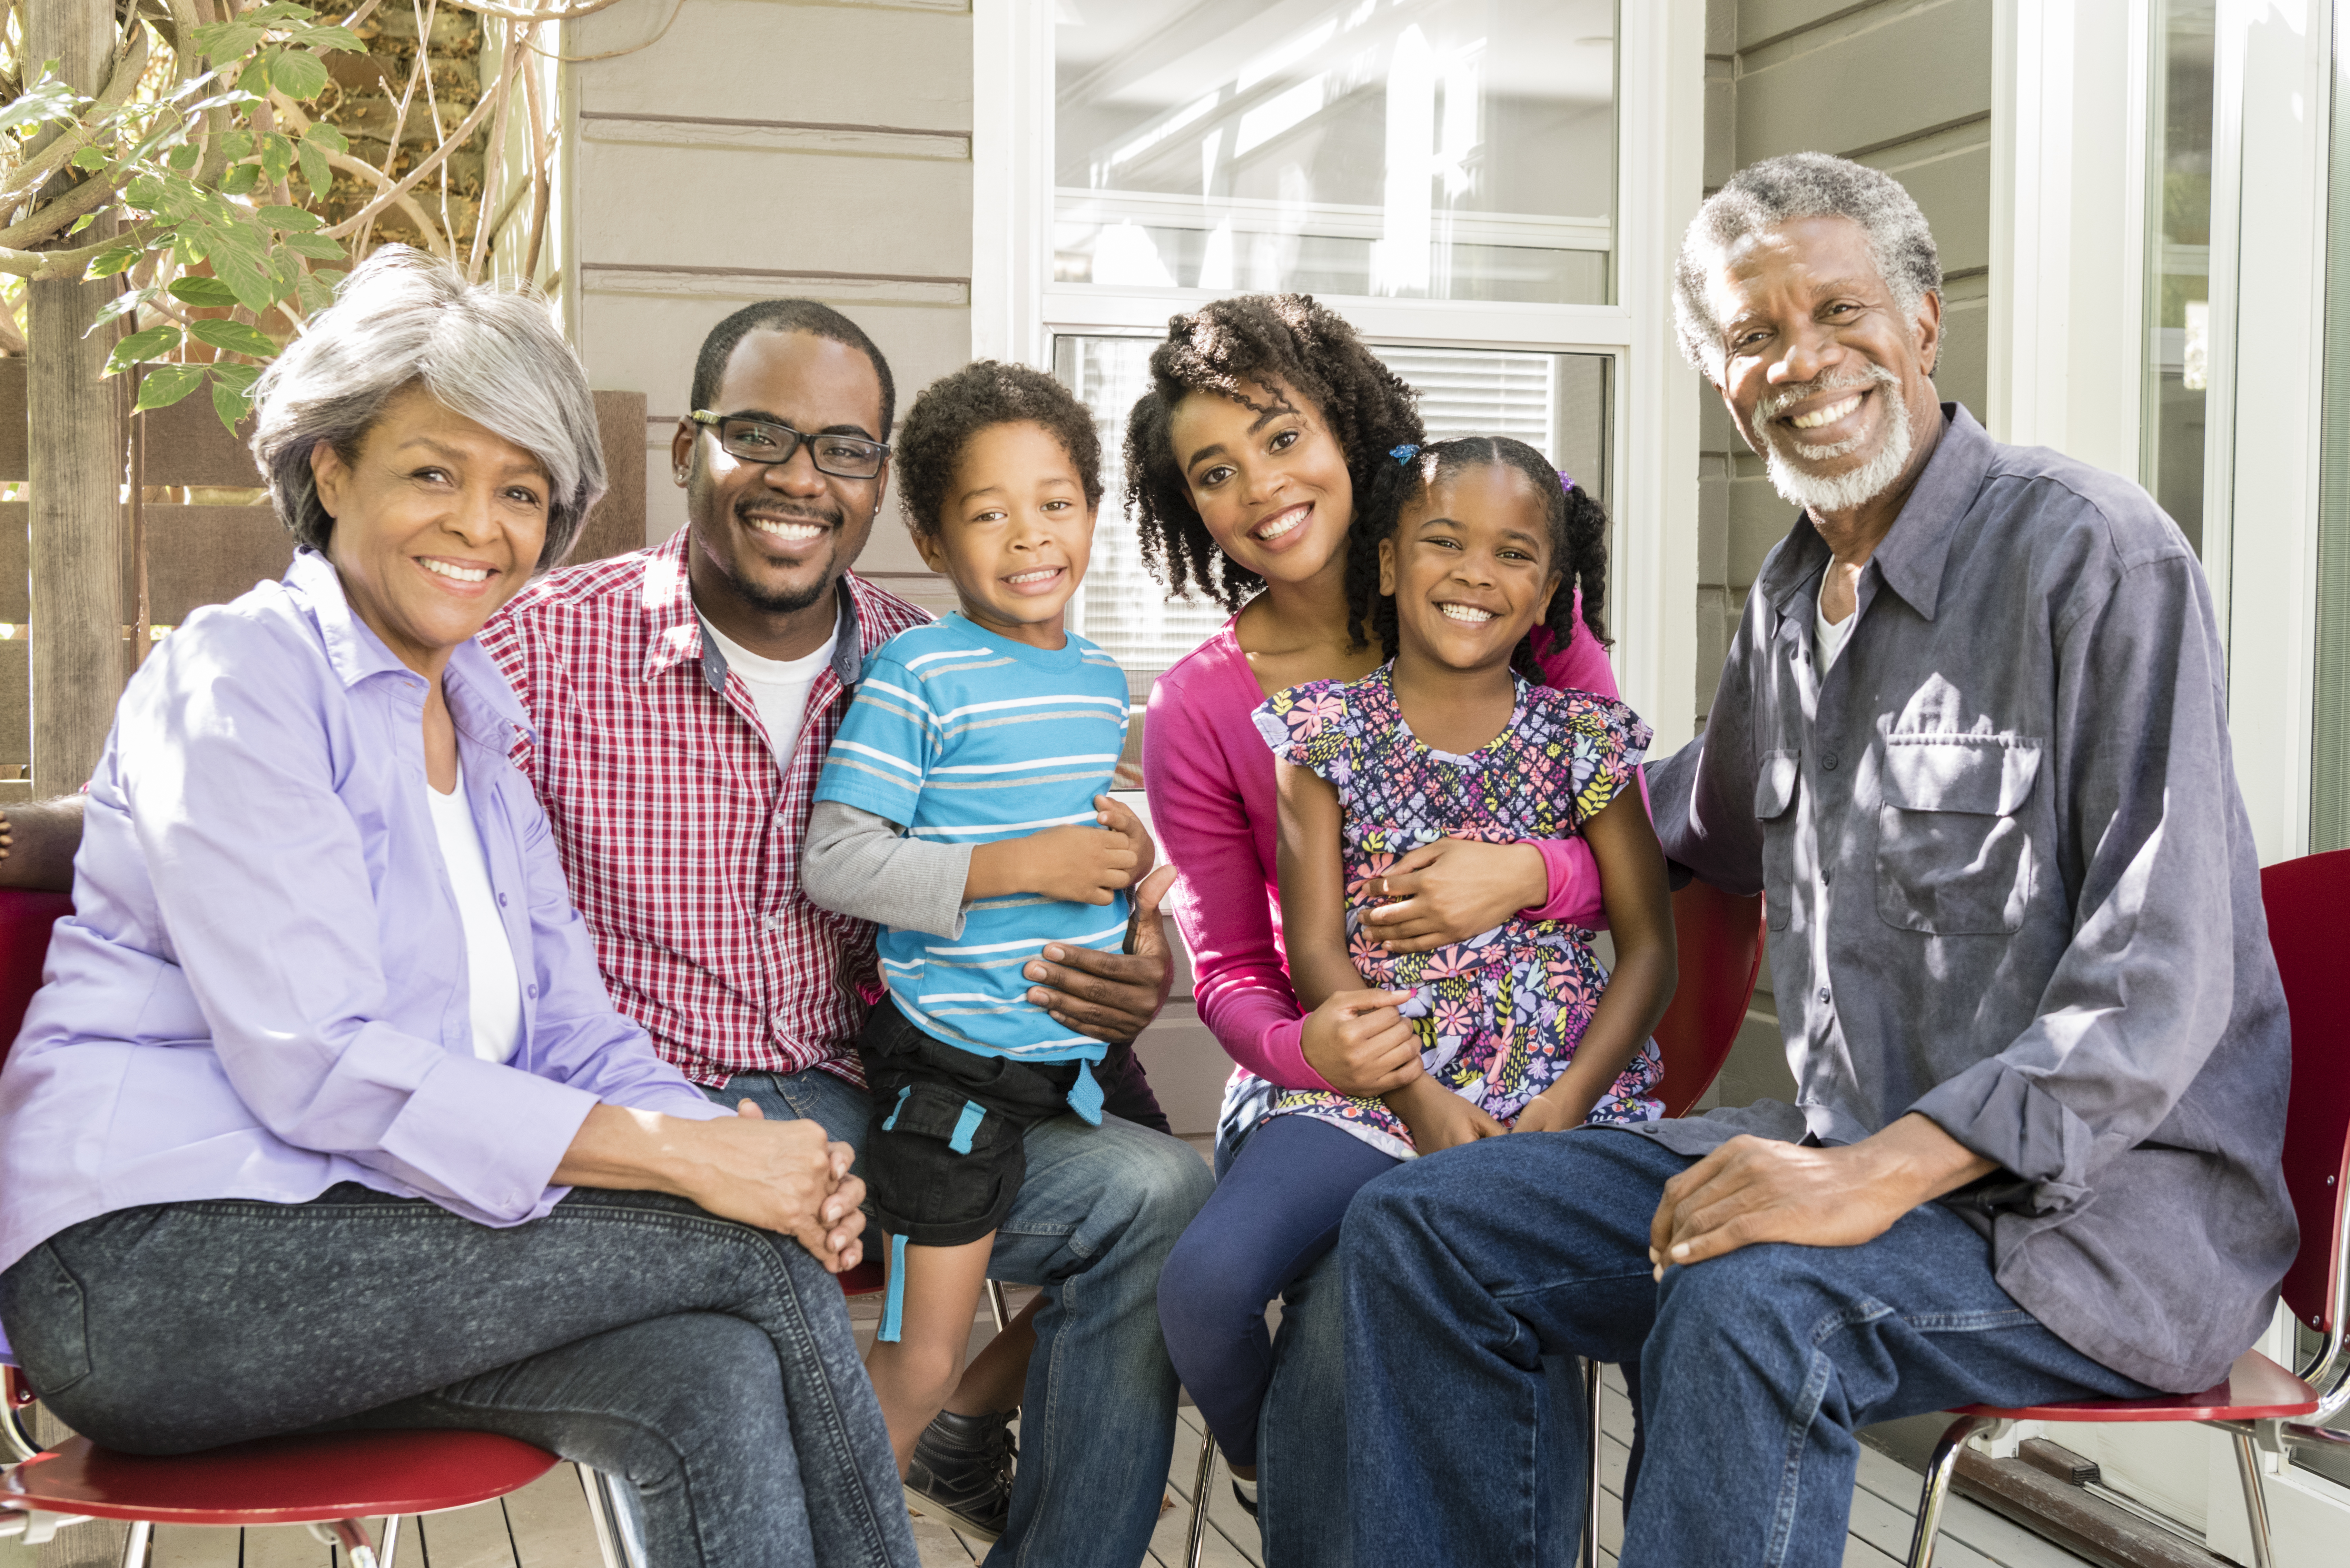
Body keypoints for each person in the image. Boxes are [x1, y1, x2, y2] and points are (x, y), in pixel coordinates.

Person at [0, 300, 1208, 1558]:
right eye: (432, 473)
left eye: (521, 492)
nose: (481, 525)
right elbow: (314, 1051)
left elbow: (570, 1022)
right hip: (165, 1256)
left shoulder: (475, 712)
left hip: (423, 1210)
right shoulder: (257, 671)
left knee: (707, 1376)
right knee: (751, 1257)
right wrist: (697, 1160)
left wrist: (744, 1154)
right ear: (330, 467)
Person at [1339, 152, 2296, 1567]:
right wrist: (1519, 860)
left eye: (1839, 311)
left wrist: (1878, 1177)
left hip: (2094, 1225)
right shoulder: (1792, 598)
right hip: (1837, 1152)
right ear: (1718, 378)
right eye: (1751, 335)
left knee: (1750, 1303)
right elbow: (1704, 813)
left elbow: (2158, 973)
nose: (1801, 360)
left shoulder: (2088, 555)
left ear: (1921, 324)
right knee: (1423, 1228)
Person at [484, 304, 1212, 1564]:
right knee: (751, 1362)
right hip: (662, 1124)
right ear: (685, 451)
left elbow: (1074, 851)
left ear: (880, 484)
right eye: (758, 434)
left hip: (880, 1103)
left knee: (1158, 1193)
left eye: (843, 448)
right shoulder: (545, 645)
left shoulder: (921, 654)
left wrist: (1130, 968)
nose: (800, 478)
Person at [1128, 294, 1627, 1552]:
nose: (1262, 489)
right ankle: (1272, 1479)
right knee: (1253, 1286)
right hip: (1334, 1079)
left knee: (1406, 1278)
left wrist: (1521, 876)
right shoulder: (1204, 707)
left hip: (1527, 1053)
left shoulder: (1493, 591)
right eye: (1216, 473)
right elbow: (1241, 967)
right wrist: (1318, 1053)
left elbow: (1634, 850)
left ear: (1347, 431)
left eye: (1282, 437)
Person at [800, 360, 1155, 1475]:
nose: (1029, 538)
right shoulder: (917, 674)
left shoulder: (1102, 681)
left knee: (1171, 1252)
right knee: (915, 1357)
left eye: (1054, 504)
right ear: (932, 532)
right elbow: (838, 860)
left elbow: (1093, 827)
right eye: (988, 513)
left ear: (1092, 512)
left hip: (1062, 1069)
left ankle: (972, 1455)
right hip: (947, 1081)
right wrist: (1021, 865)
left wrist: (1132, 856)